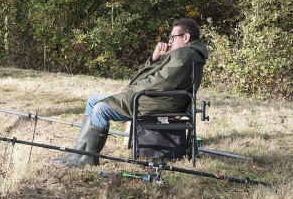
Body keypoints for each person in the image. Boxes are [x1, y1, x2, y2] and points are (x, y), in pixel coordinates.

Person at [52, 18, 209, 168]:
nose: (170, 41)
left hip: (161, 101)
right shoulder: (183, 54)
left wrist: (128, 90)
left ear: (186, 37)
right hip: (159, 97)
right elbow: (154, 76)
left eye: (173, 37)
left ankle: (89, 159)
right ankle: (77, 153)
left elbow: (159, 82)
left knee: (100, 109)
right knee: (93, 100)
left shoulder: (183, 55)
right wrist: (155, 58)